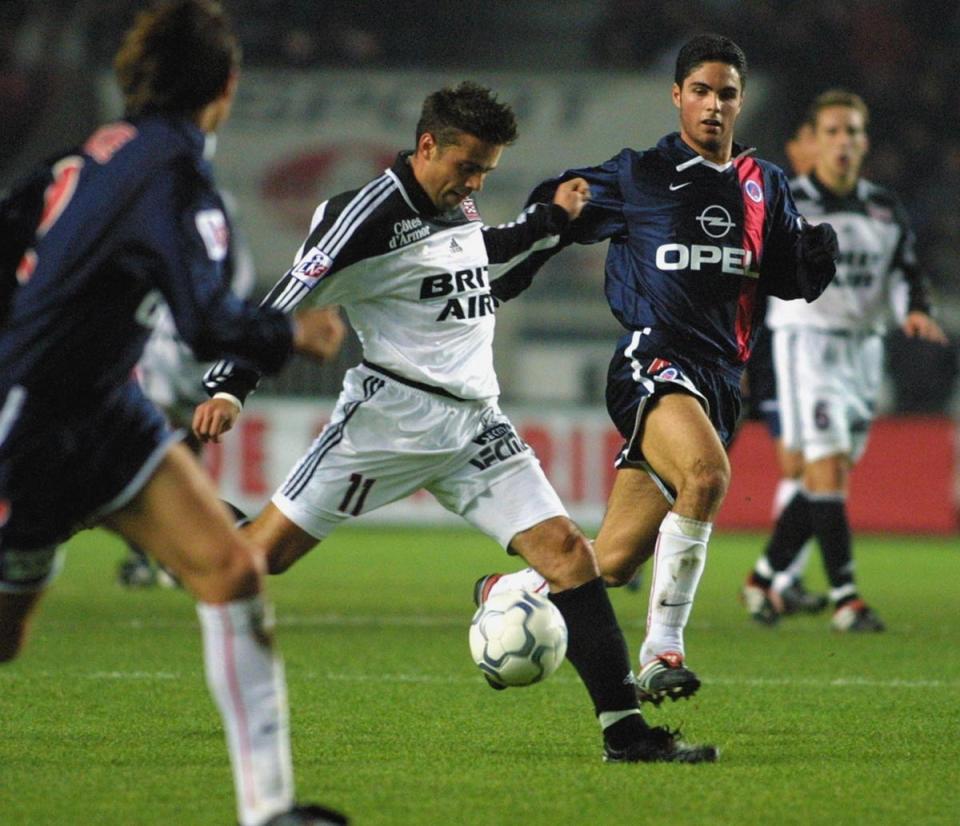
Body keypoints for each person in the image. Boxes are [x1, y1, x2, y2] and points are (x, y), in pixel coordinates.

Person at [194, 80, 717, 764]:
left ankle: (628, 736)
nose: (473, 182)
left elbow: (477, 258)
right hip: (388, 423)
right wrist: (231, 384)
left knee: (569, 555)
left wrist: (547, 225)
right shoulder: (363, 216)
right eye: (466, 165)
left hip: (475, 427)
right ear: (426, 144)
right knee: (255, 562)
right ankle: (156, 498)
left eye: (485, 172)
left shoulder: (456, 200)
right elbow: (288, 296)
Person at [0, 2, 348, 824]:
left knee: (232, 570)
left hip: (105, 409)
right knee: (5, 638)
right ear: (226, 85)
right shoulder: (173, 175)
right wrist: (293, 331)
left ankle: (270, 811)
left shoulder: (91, 154)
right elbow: (206, 322)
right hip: (31, 427)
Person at [475, 33, 839, 705]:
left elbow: (782, 279)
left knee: (609, 562)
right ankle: (661, 652)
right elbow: (563, 207)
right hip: (653, 363)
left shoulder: (767, 187)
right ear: (677, 96)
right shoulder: (640, 174)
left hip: (721, 383)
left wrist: (813, 265)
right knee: (706, 476)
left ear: (740, 101)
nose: (712, 105)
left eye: (725, 93)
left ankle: (510, 589)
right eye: (699, 91)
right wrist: (541, 223)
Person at [741, 89, 947, 631]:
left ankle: (764, 577)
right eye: (832, 131)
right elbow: (755, 276)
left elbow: (905, 272)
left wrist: (916, 311)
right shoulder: (789, 203)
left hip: (864, 350)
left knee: (824, 478)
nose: (843, 141)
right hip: (806, 343)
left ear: (864, 142)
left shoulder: (884, 207)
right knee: (825, 468)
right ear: (815, 142)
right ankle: (846, 598)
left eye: (852, 131)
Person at [117, 193, 257, 589]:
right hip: (165, 343)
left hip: (197, 346)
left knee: (180, 455)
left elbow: (234, 277)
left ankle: (176, 553)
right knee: (152, 445)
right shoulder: (190, 206)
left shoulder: (208, 208)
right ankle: (156, 555)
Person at [737, 117, 828, 619]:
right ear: (796, 147)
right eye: (818, 137)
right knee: (799, 462)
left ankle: (783, 577)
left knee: (805, 463)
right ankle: (639, 545)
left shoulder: (852, 205)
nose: (831, 149)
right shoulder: (771, 198)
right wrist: (746, 354)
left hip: (818, 359)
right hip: (770, 353)